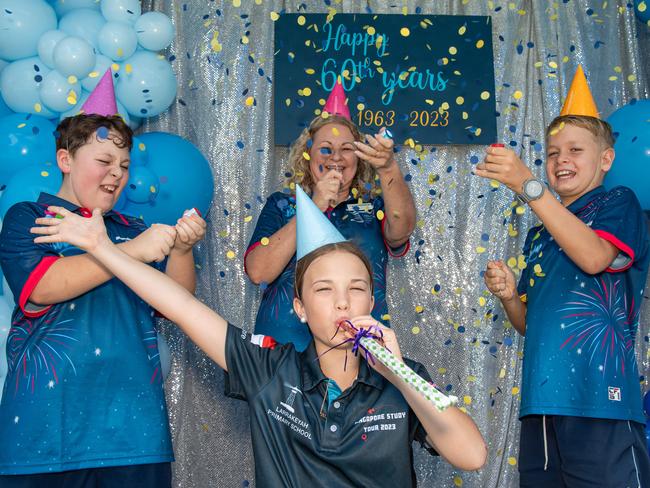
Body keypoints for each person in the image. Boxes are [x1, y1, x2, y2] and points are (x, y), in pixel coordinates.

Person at [30, 185, 487, 487]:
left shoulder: (405, 379)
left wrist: (399, 371)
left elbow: (472, 456)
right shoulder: (270, 367)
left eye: (357, 290)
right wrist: (103, 249)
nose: (343, 303)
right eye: (324, 290)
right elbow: (181, 307)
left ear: (372, 303)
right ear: (300, 308)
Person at [0, 108, 206, 485]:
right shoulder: (31, 216)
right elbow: (42, 288)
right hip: (44, 433)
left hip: (133, 431)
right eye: (104, 160)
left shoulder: (133, 228)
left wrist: (180, 251)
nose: (118, 173)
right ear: (65, 159)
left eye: (125, 165)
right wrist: (133, 253)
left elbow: (175, 304)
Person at [476, 67, 650, 487]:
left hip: (600, 401)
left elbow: (594, 257)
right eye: (553, 153)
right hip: (541, 406)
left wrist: (528, 186)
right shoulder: (541, 232)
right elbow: (528, 323)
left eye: (575, 150)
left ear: (606, 159)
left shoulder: (618, 202)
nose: (561, 161)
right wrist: (509, 298)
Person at [246, 83, 416, 352]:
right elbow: (259, 272)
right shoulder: (281, 205)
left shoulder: (374, 209)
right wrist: (313, 206)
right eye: (325, 148)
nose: (336, 156)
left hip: (358, 352)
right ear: (308, 155)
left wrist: (388, 167)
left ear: (359, 158)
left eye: (347, 149)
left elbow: (402, 229)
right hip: (281, 355)